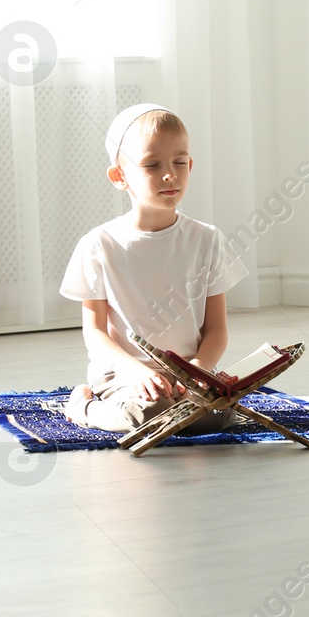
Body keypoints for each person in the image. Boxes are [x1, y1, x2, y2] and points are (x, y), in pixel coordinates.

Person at [59, 103, 248, 433]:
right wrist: (136, 372)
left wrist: (199, 370)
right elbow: (96, 332)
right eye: (151, 164)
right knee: (149, 416)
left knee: (216, 417)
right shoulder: (99, 244)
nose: (170, 174)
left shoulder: (207, 239)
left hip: (191, 373)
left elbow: (216, 329)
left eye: (179, 162)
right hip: (124, 372)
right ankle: (82, 407)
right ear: (119, 176)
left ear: (190, 164)